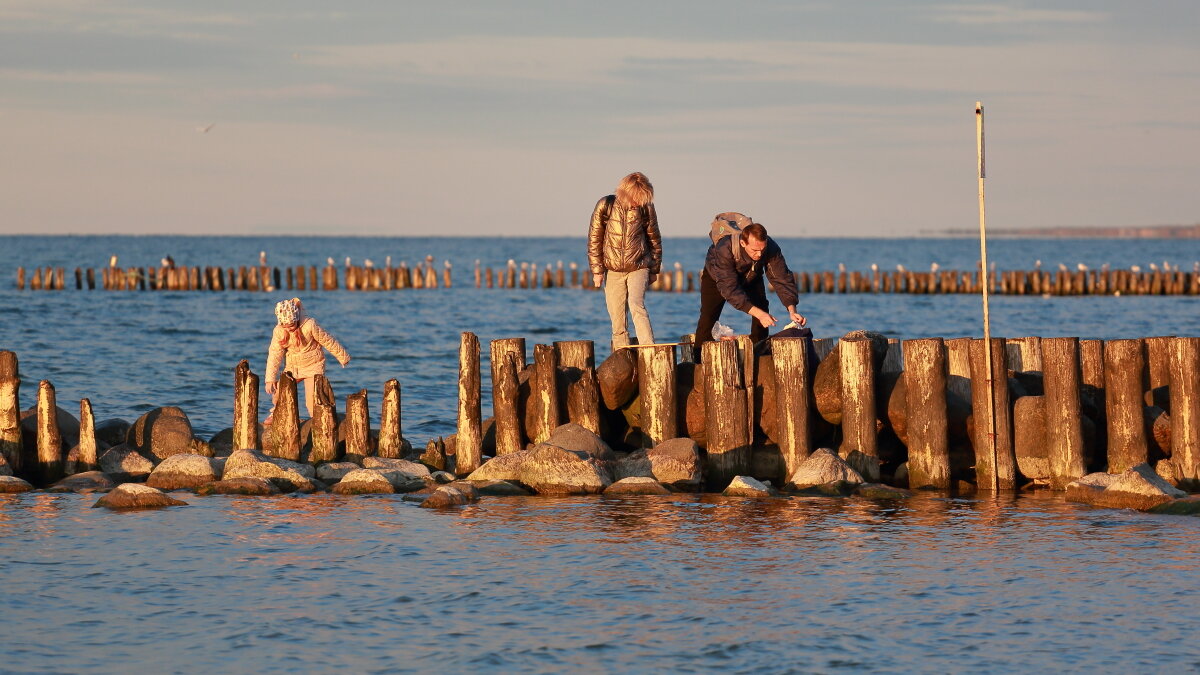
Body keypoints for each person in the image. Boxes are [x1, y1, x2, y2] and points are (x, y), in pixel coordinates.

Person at [695, 221, 804, 350]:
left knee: (762, 307)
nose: (759, 254)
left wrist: (792, 310)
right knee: (708, 318)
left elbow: (782, 278)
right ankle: (698, 361)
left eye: (762, 250)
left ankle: (759, 352)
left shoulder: (771, 248)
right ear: (743, 243)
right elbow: (730, 290)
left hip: (751, 275)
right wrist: (759, 314)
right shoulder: (724, 248)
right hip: (717, 277)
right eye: (755, 250)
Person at [587, 172, 662, 350]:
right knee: (617, 316)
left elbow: (654, 239)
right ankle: (621, 353)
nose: (638, 203)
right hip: (612, 269)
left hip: (639, 265)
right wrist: (597, 271)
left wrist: (654, 270)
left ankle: (648, 347)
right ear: (626, 192)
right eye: (636, 198)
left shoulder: (646, 208)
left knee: (636, 304)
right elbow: (594, 238)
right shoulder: (606, 205)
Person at [264, 298, 350, 423]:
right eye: (285, 326)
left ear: (297, 318)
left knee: (312, 399)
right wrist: (270, 379)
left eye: (292, 325)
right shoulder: (279, 331)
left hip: (313, 365)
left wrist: (343, 357)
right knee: (279, 390)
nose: (289, 329)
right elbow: (274, 354)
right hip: (293, 367)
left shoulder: (310, 325)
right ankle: (276, 412)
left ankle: (316, 421)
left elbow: (327, 340)